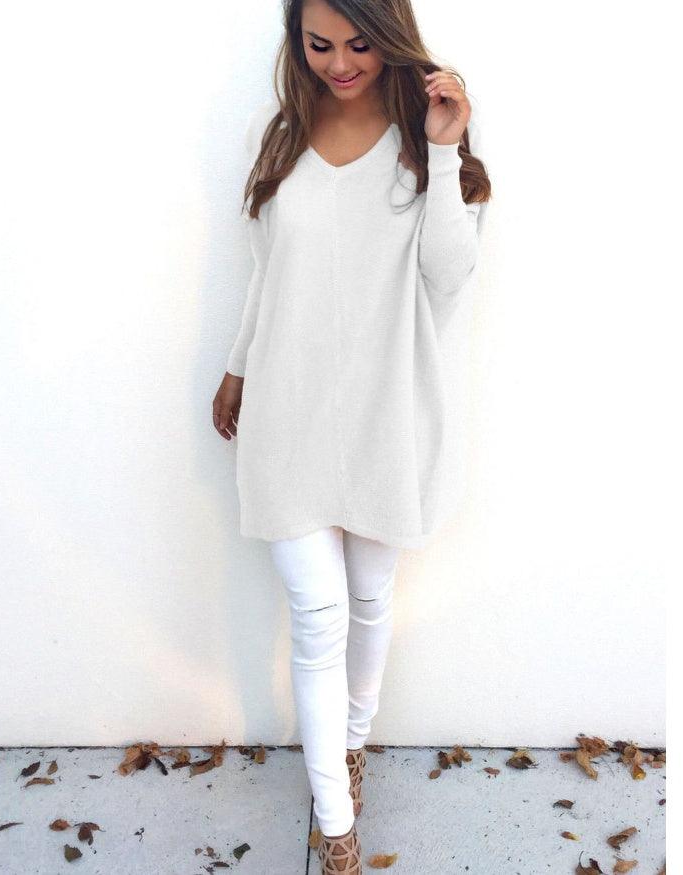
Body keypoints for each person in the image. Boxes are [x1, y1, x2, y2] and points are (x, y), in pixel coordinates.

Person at [212, 0, 491, 870]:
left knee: (369, 600)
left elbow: (448, 277)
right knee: (317, 614)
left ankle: (352, 746)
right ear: (297, 43)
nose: (340, 63)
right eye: (320, 44)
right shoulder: (280, 138)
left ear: (392, 36)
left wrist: (443, 151)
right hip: (286, 411)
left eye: (360, 43)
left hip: (385, 413)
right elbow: (267, 272)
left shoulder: (424, 142)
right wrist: (237, 366)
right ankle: (336, 826)